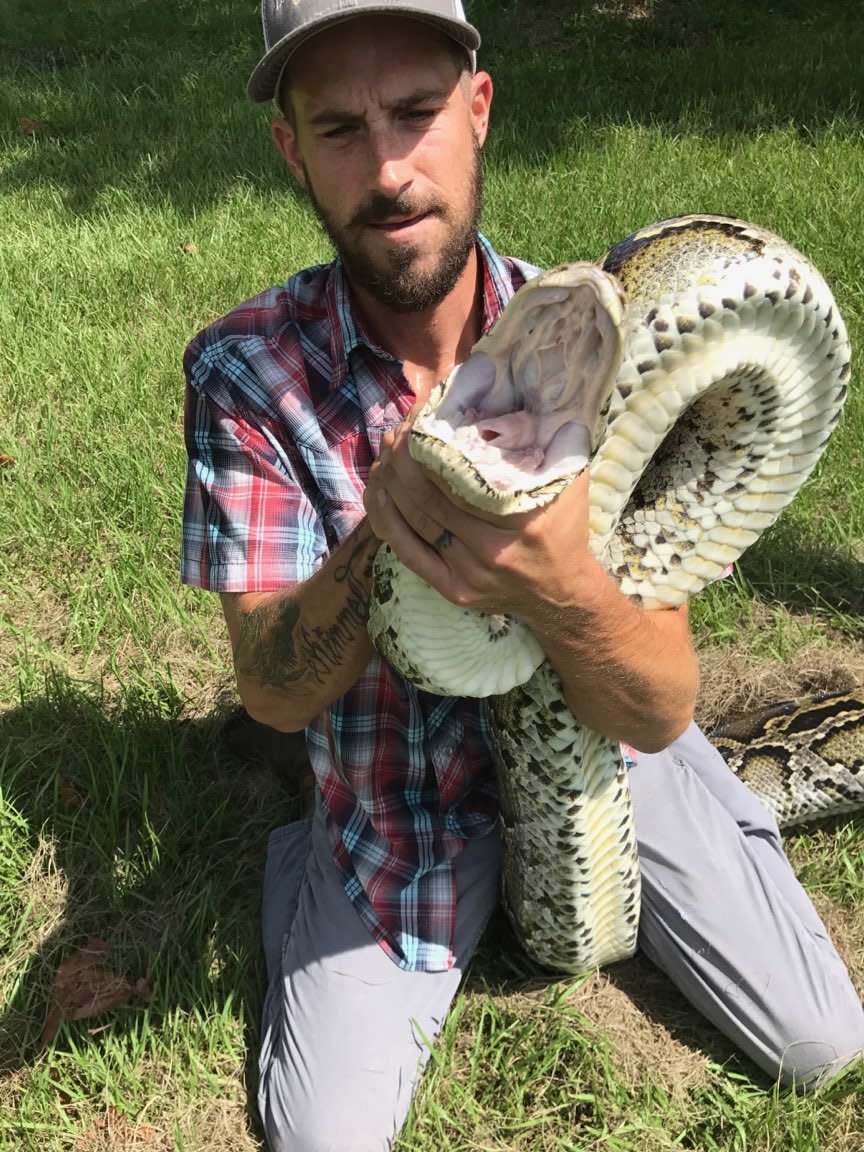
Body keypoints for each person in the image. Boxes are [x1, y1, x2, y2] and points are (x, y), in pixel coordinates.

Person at [181, 3, 864, 1148]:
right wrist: (393, 523)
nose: (391, 168)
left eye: (416, 113)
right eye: (342, 128)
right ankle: (307, 846)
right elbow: (273, 688)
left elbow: (653, 703)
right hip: (395, 808)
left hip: (604, 753)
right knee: (320, 1139)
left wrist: (559, 588)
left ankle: (722, 792)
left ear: (479, 112)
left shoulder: (607, 336)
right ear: (291, 150)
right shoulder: (249, 372)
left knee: (824, 1046)